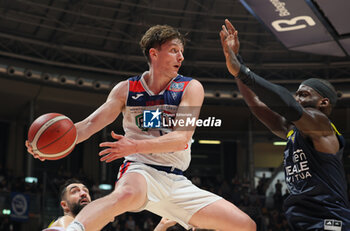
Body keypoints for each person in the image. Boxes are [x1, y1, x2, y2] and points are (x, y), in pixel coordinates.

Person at [27, 24, 256, 231]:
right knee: (126, 194)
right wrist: (47, 148)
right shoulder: (125, 90)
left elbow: (181, 138)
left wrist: (134, 144)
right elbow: (88, 125)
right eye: (175, 50)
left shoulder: (190, 87)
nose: (181, 57)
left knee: (246, 225)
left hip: (176, 180)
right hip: (140, 169)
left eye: (182, 51)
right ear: (154, 54)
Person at [220, 19, 350, 230]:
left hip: (329, 220)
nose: (297, 98)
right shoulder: (293, 131)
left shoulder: (321, 125)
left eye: (304, 94)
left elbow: (287, 105)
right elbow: (257, 104)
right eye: (296, 94)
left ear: (323, 102)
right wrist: (236, 61)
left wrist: (242, 72)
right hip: (301, 221)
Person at [44, 178, 176, 231]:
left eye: (86, 191)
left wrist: (161, 227)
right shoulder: (66, 221)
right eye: (75, 191)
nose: (83, 193)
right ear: (64, 205)